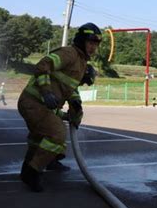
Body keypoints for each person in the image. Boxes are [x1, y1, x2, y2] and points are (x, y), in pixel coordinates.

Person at [17, 23, 102, 192]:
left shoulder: (81, 62)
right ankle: (32, 173)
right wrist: (47, 92)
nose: (93, 48)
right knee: (57, 135)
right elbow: (43, 65)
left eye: (96, 44)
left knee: (38, 139)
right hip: (35, 102)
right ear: (81, 41)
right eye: (90, 43)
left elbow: (70, 89)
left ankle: (28, 168)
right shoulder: (69, 54)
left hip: (39, 105)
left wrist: (76, 108)